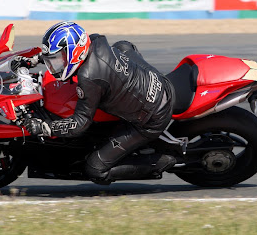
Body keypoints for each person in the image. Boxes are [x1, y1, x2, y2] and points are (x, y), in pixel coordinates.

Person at [20, 21, 176, 184]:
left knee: (95, 169)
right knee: (122, 46)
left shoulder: (89, 78)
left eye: (58, 58)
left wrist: (44, 127)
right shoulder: (94, 40)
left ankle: (161, 161)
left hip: (153, 116)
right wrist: (35, 60)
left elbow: (79, 125)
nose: (55, 64)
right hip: (155, 82)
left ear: (75, 52)